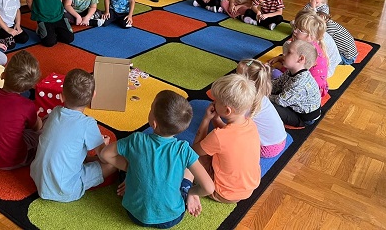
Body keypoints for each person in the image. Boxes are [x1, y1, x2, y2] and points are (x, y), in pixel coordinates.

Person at [100, 91, 215, 227]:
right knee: (189, 169)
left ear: (154, 124)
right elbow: (209, 188)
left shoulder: (136, 139)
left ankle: (133, 177)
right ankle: (187, 191)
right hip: (171, 219)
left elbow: (105, 154)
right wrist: (192, 192)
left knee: (127, 164)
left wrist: (133, 170)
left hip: (135, 214)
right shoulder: (184, 149)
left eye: (151, 108)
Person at [30, 69, 117, 202]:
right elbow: (105, 158)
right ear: (93, 95)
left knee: (72, 149)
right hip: (65, 190)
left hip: (38, 178)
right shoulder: (87, 124)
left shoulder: (55, 111)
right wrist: (104, 144)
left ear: (61, 96)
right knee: (113, 163)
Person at [190, 74, 261, 207]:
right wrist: (216, 119)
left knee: (190, 157)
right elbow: (230, 137)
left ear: (227, 110)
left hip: (223, 193)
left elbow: (195, 151)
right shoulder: (251, 124)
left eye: (216, 101)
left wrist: (206, 120)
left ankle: (189, 189)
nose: (213, 102)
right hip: (248, 189)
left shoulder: (218, 136)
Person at [0, 50, 42, 169]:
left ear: (3, 74)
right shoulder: (27, 105)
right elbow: (37, 128)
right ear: (29, 87)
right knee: (44, 132)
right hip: (12, 161)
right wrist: (37, 118)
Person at [237, 59, 287, 158]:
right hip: (281, 140)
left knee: (231, 140)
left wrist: (217, 120)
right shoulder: (260, 94)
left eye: (237, 75)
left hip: (267, 148)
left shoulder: (247, 101)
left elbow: (236, 125)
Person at [270, 40, 321, 127]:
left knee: (266, 105)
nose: (284, 54)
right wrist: (263, 86)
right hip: (292, 103)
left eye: (289, 52)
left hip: (303, 118)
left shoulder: (300, 83)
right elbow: (278, 83)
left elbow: (280, 101)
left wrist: (261, 94)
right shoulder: (291, 71)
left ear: (300, 59)